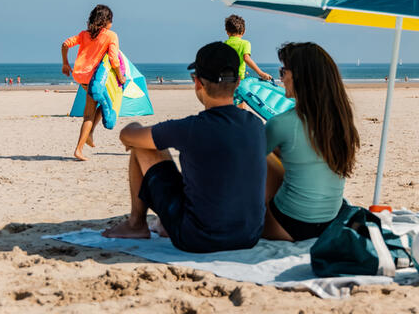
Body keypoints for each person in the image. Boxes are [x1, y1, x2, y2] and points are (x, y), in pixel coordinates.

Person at [102, 42, 266, 252]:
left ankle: (136, 224)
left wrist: (131, 137)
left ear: (197, 83)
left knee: (141, 141)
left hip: (197, 238)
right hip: (249, 235)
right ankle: (162, 224)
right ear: (238, 83)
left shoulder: (191, 127)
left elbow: (127, 135)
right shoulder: (255, 125)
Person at [262, 42, 360, 241]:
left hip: (289, 224)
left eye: (283, 71)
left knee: (260, 158)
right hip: (330, 222)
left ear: (299, 76)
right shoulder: (340, 119)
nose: (281, 78)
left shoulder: (281, 123)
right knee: (283, 154)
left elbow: (245, 165)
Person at [61, 4, 125, 160]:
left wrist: (65, 63)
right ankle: (80, 148)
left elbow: (65, 44)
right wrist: (120, 76)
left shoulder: (84, 34)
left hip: (81, 77)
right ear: (106, 21)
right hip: (94, 79)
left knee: (101, 103)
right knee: (94, 112)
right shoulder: (111, 36)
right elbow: (113, 60)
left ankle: (90, 134)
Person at [224, 14, 272, 81]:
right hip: (238, 80)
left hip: (224, 80)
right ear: (243, 31)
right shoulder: (245, 43)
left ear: (227, 32)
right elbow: (246, 58)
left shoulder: (224, 44)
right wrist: (261, 73)